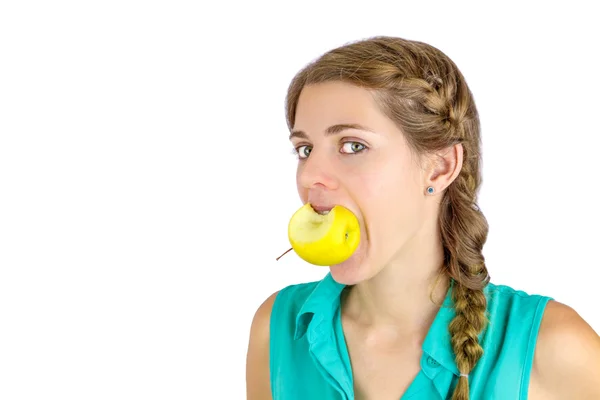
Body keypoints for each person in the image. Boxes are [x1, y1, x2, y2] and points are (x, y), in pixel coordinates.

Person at [245, 36, 600, 400]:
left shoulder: (554, 348)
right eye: (305, 149)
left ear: (440, 168)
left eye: (354, 146)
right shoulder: (277, 329)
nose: (308, 176)